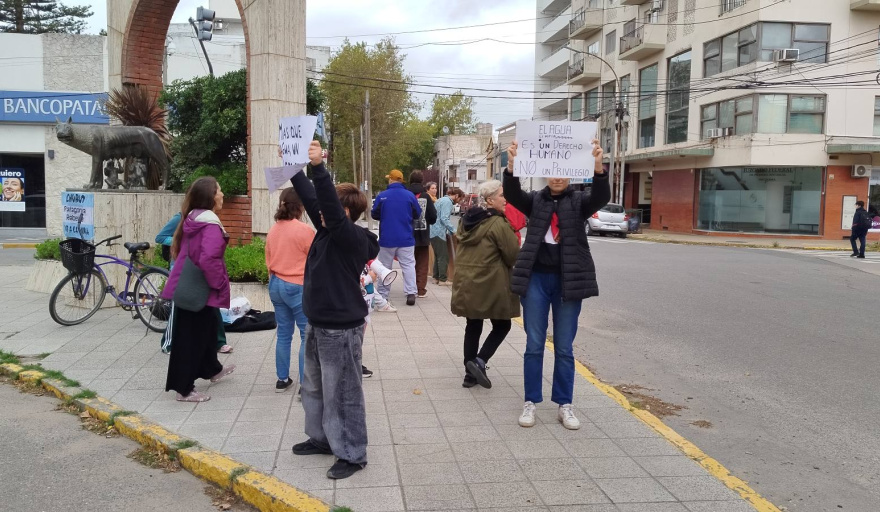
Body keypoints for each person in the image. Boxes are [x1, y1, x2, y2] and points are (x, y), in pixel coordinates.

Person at [503, 139, 609, 430]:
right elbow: (512, 194)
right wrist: (511, 166)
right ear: (545, 173)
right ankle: (530, 401)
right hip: (536, 279)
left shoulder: (579, 201)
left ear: (571, 173)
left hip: (567, 281)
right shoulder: (535, 200)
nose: (558, 177)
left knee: (564, 347)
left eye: (563, 172)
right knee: (534, 344)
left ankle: (565, 404)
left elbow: (601, 196)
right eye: (552, 171)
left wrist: (598, 167)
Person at [290, 141, 379, 480]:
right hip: (317, 323)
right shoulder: (327, 227)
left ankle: (352, 454)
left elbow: (324, 201)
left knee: (342, 393)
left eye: (331, 209)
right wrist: (294, 165)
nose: (320, 213)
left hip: (340, 330)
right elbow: (313, 199)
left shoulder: (350, 237)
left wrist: (318, 168)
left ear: (345, 213)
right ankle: (322, 439)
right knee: (314, 388)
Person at [161, 177, 236, 403]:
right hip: (200, 290)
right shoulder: (209, 223)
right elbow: (208, 259)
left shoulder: (194, 217)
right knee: (191, 339)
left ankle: (212, 369)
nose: (222, 194)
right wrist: (219, 284)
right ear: (210, 197)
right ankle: (184, 389)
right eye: (219, 190)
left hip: (189, 286)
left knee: (207, 330)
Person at [451, 180, 520, 389]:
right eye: (501, 195)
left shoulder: (466, 221)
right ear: (490, 200)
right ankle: (479, 362)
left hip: (467, 281)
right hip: (490, 283)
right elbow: (512, 255)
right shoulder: (497, 223)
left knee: (473, 324)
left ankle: (469, 375)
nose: (505, 200)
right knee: (503, 325)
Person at [156, 213, 231, 355]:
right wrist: (181, 241)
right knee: (178, 307)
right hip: (181, 269)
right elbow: (160, 237)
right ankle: (168, 343)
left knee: (212, 304)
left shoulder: (208, 218)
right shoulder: (181, 217)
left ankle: (219, 342)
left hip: (199, 268)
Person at [266, 187, 315, 394]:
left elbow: (268, 259)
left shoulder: (273, 229)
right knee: (306, 335)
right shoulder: (305, 230)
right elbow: (315, 259)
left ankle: (282, 379)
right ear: (301, 206)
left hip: (276, 284)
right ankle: (306, 385)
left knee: (284, 334)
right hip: (297, 285)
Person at [371, 169, 421, 306]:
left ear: (391, 179)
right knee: (408, 265)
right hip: (406, 238)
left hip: (387, 238)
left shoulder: (382, 196)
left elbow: (374, 214)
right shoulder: (410, 196)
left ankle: (383, 294)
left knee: (384, 267)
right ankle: (411, 293)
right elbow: (417, 214)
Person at [407, 171, 437, 298]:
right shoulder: (426, 196)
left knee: (408, 263)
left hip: (408, 234)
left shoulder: (406, 194)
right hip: (423, 235)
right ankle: (420, 289)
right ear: (421, 181)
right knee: (422, 263)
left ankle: (410, 288)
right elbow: (433, 216)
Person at [430, 187, 463, 286]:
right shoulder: (447, 202)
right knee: (443, 256)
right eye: (460, 199)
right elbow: (444, 218)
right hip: (438, 231)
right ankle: (442, 280)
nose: (459, 202)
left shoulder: (441, 200)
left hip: (432, 231)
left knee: (438, 256)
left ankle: (436, 278)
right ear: (456, 195)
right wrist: (454, 231)